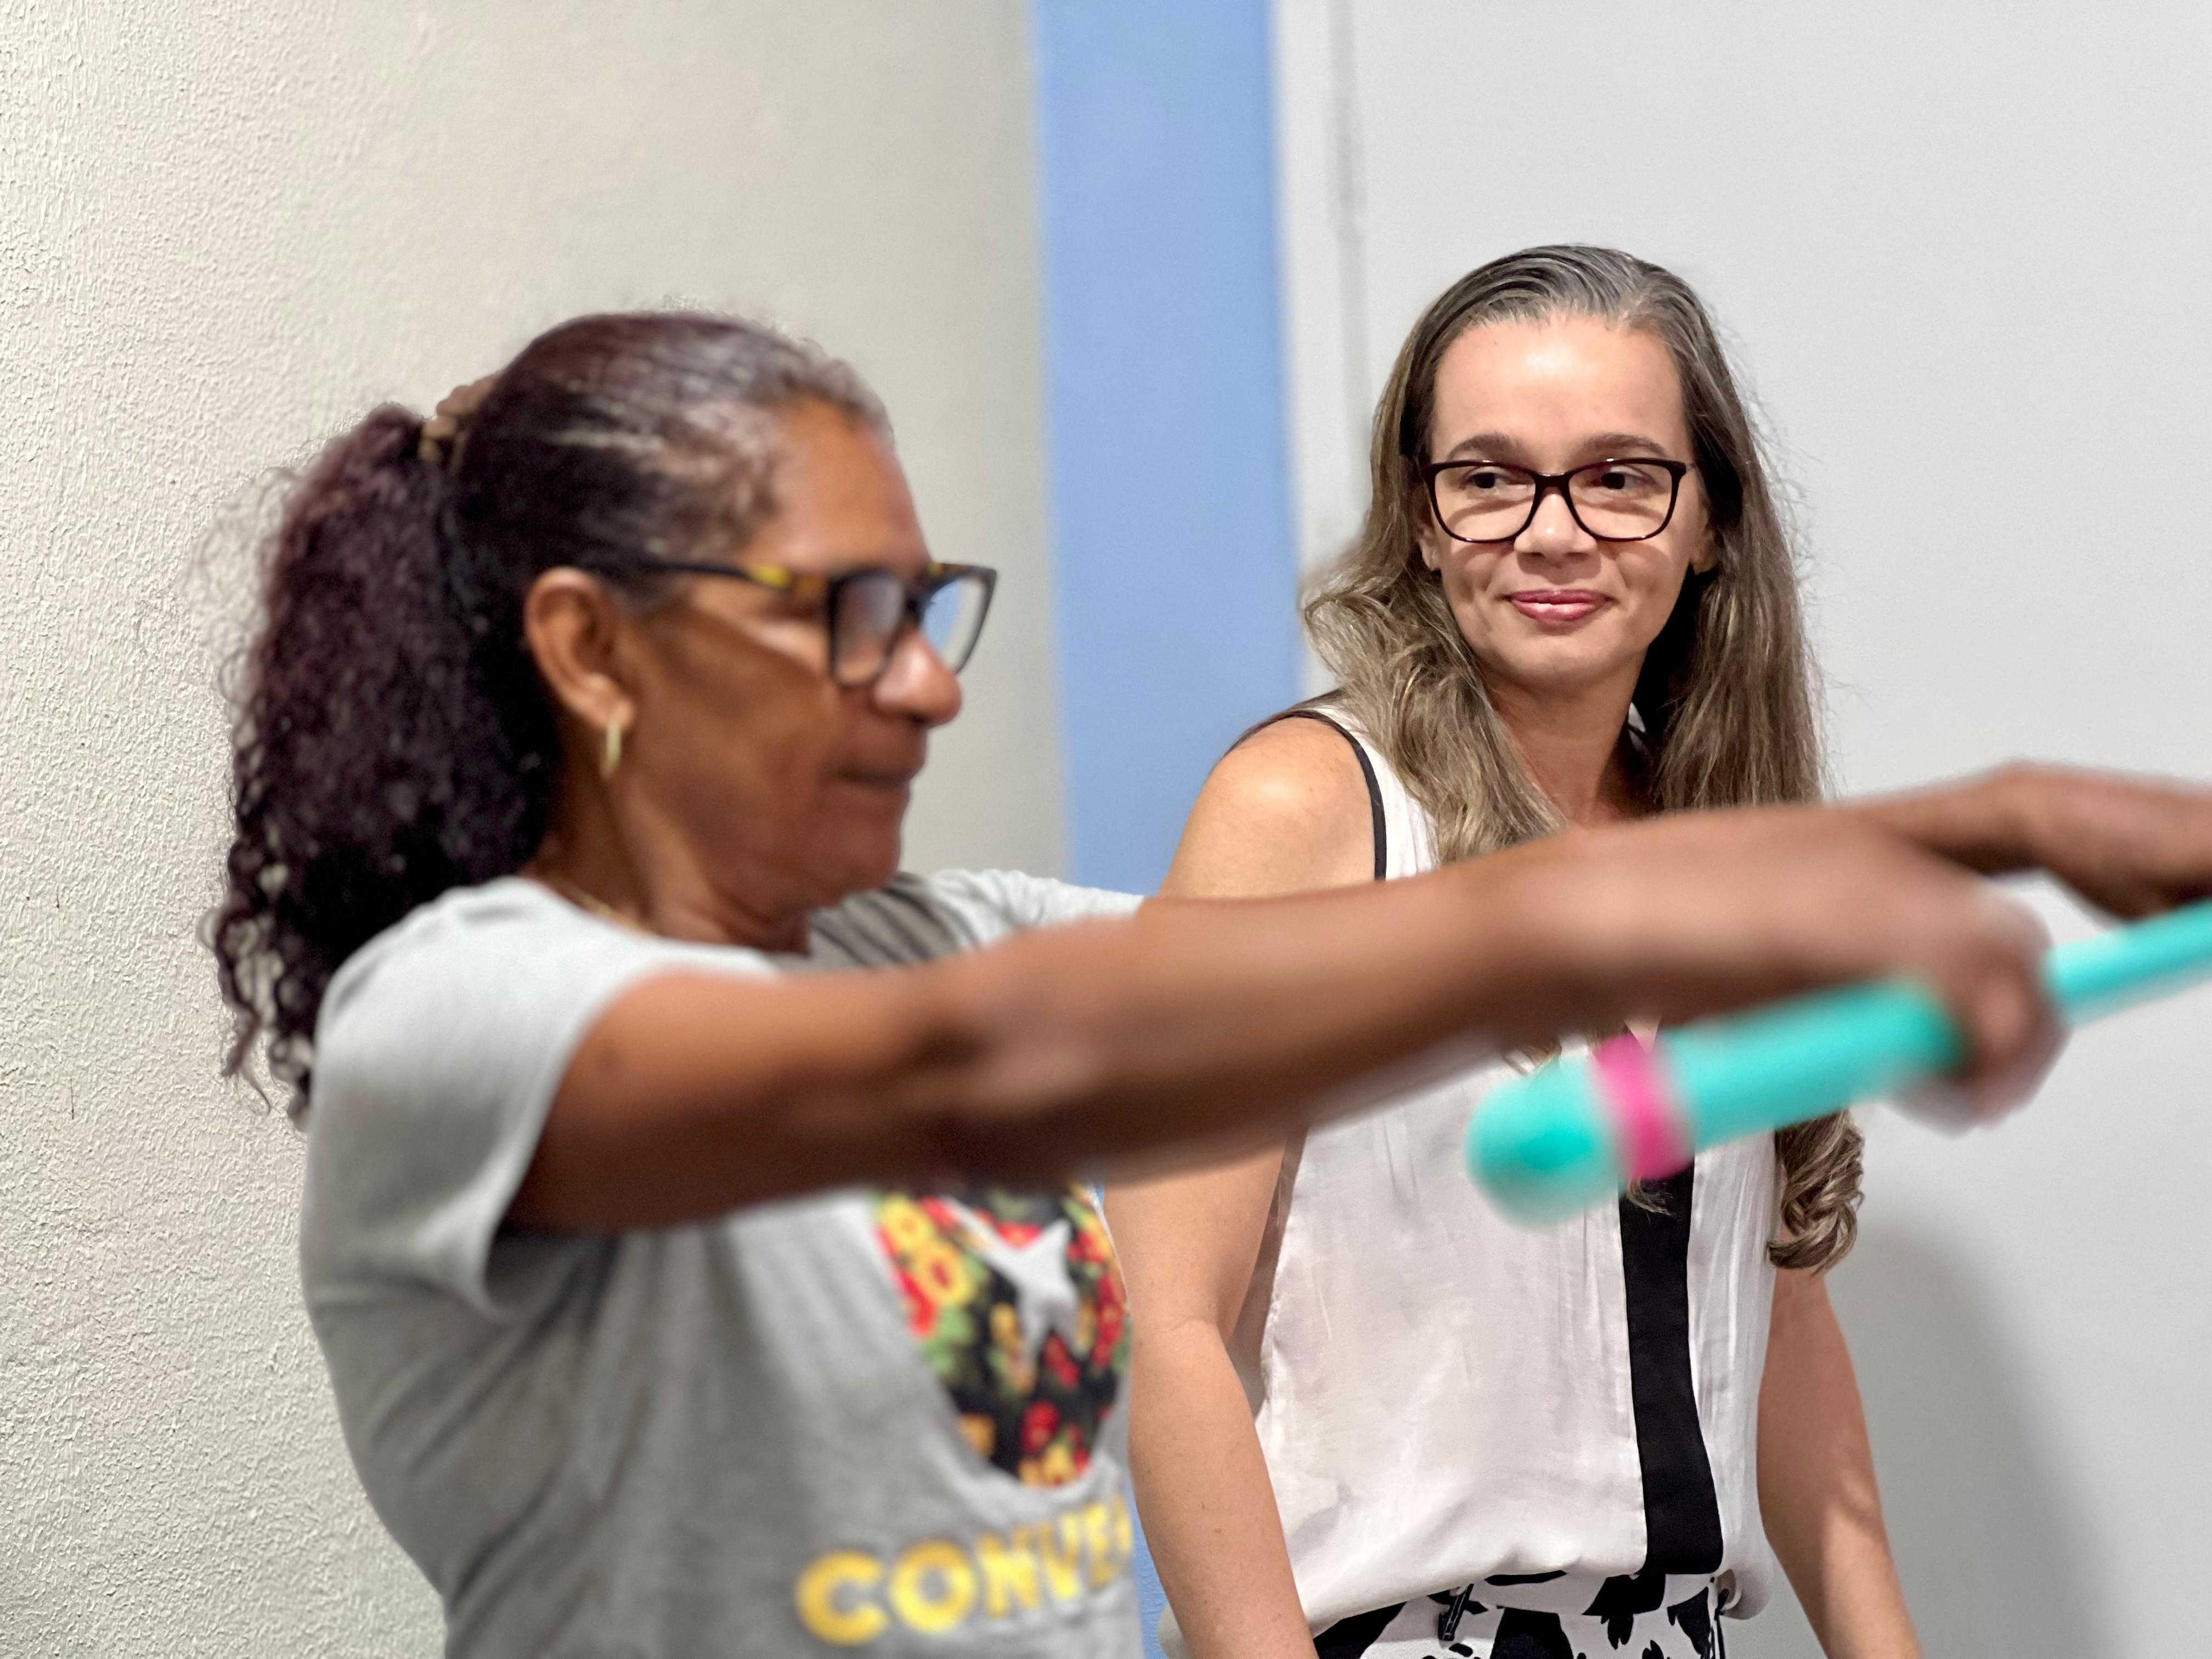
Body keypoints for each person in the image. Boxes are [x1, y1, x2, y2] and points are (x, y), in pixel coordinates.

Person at [208, 309, 2211, 1659]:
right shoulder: (462, 1023)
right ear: (591, 650)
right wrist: (1679, 913)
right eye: (855, 615)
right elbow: (987, 1067)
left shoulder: (930, 931)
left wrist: (1992, 823)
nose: (930, 685)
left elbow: (1374, 956)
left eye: (933, 608)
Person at [1107, 245, 2211, 1659]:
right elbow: (1166, 1325)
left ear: (1708, 523)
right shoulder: (1305, 809)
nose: (1553, 534)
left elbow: (1776, 1310)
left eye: (1620, 477)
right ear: (1423, 520)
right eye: (1489, 478)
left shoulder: (1728, 850)